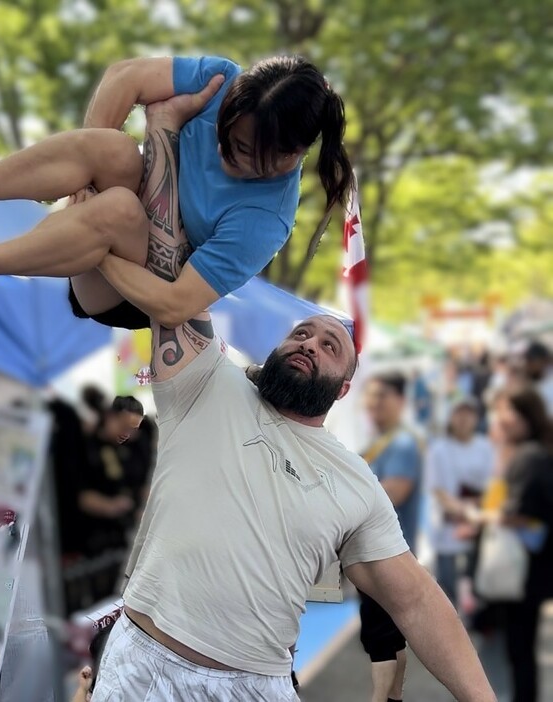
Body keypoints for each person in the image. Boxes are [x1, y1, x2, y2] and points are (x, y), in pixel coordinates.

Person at [88, 88, 496, 701]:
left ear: (345, 386)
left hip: (252, 686)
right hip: (139, 665)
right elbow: (167, 255)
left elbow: (412, 600)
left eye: (330, 345)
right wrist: (166, 131)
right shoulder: (204, 383)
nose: (309, 342)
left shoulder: (354, 480)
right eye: (301, 333)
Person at [0, 53, 353, 333]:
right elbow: (124, 76)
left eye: (251, 154)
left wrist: (95, 240)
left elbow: (174, 305)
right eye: (230, 136)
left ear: (294, 155)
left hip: (137, 292)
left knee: (121, 210)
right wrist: (83, 192)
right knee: (113, 149)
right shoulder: (221, 80)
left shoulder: (267, 217)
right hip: (122, 209)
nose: (231, 154)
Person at [478, 386, 553, 702]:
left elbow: (514, 512)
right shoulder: (533, 452)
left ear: (526, 416)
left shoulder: (528, 456)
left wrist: (481, 517)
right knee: (519, 647)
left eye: (508, 411)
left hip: (522, 570)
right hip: (530, 568)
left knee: (518, 650)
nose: (502, 418)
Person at [358, 372, 423, 702]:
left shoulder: (401, 444)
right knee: (390, 635)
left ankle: (381, 698)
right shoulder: (381, 442)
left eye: (381, 396)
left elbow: (393, 493)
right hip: (377, 554)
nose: (373, 403)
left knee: (380, 635)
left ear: (400, 401)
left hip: (386, 557)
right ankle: (393, 697)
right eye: (370, 396)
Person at [78, 395, 148, 602]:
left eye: (133, 430)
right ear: (110, 417)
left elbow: (134, 488)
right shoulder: (87, 447)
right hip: (87, 543)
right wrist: (112, 506)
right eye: (124, 426)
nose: (127, 434)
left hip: (116, 542)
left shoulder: (126, 451)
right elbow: (81, 496)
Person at [425, 397, 494, 609]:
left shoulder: (485, 446)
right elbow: (438, 490)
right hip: (447, 526)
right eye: (459, 413)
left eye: (469, 414)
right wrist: (461, 511)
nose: (464, 419)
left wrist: (475, 513)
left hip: (478, 525)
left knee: (475, 582)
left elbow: (492, 485)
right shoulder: (439, 449)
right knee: (447, 588)